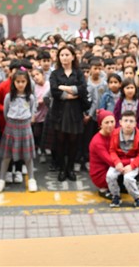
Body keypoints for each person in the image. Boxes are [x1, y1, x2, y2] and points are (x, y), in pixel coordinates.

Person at [0, 70, 38, 193]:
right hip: (11, 127)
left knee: (28, 156)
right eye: (18, 81)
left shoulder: (30, 97)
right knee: (7, 155)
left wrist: (27, 121)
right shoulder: (9, 97)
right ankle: (1, 179)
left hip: (25, 127)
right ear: (13, 82)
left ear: (27, 82)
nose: (20, 84)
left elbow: (32, 110)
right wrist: (11, 123)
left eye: (23, 81)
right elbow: (5, 112)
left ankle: (31, 179)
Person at [49, 46, 88, 182]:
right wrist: (70, 94)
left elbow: (83, 89)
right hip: (60, 112)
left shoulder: (78, 73)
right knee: (60, 141)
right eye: (62, 55)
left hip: (75, 112)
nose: (64, 57)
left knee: (73, 141)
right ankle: (62, 169)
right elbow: (54, 90)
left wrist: (64, 87)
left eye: (67, 54)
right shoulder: (55, 74)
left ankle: (70, 169)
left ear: (73, 56)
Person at [106, 110, 139, 208]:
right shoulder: (115, 133)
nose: (128, 123)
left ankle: (137, 198)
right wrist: (117, 162)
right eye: (126, 120)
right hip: (119, 161)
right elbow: (112, 150)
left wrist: (132, 166)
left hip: (132, 161)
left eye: (131, 121)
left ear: (135, 123)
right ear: (120, 122)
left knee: (128, 178)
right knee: (110, 175)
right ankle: (115, 196)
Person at [88, 109, 115, 198]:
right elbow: (111, 161)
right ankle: (103, 189)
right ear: (100, 124)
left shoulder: (113, 134)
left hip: (110, 168)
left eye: (112, 121)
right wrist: (131, 162)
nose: (110, 125)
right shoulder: (97, 141)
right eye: (106, 122)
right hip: (101, 175)